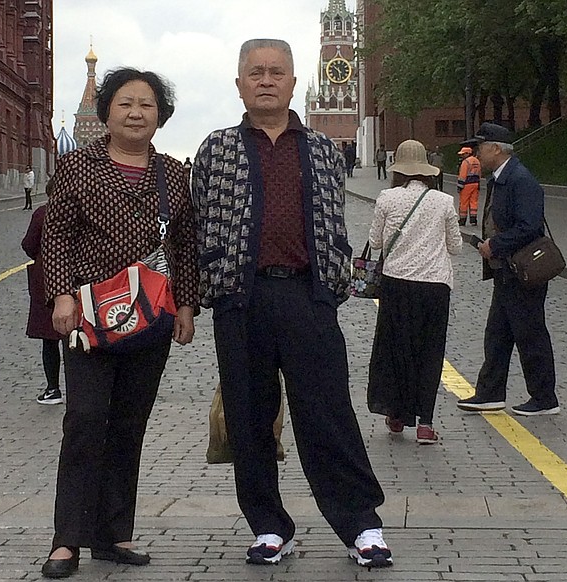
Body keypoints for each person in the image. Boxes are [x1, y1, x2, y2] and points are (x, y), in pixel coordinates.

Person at [192, 38, 392, 569]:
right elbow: (197, 223)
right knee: (250, 416)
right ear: (239, 84)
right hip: (242, 299)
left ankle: (361, 524)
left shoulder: (324, 150)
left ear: (293, 82)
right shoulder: (217, 148)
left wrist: (334, 282)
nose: (265, 80)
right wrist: (212, 285)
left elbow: (333, 222)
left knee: (326, 412)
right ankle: (269, 526)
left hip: (308, 296)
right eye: (254, 72)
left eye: (275, 72)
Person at [39, 67, 199, 579]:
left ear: (161, 116)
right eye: (126, 103)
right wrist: (60, 295)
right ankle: (66, 540)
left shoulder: (174, 174)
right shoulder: (77, 166)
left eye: (147, 105)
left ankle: (113, 534)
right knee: (84, 422)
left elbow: (185, 245)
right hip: (89, 317)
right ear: (107, 111)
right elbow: (56, 235)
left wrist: (187, 305)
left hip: (150, 317)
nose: (136, 112)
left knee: (129, 426)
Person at [457, 122, 560, 416]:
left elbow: (530, 227)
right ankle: (490, 394)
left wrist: (495, 245)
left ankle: (544, 398)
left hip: (522, 272)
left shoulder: (520, 179)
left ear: (495, 149)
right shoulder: (503, 177)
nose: (476, 152)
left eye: (480, 146)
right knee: (497, 335)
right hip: (507, 272)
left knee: (530, 335)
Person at [367, 139, 462, 444]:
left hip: (396, 285)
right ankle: (426, 423)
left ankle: (396, 415)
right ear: (427, 170)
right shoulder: (444, 202)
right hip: (435, 286)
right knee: (430, 351)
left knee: (396, 350)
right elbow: (455, 246)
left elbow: (377, 242)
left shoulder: (386, 198)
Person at [22, 175, 64, 405]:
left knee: (50, 339)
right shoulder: (87, 211)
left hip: (46, 281)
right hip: (82, 281)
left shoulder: (42, 213)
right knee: (80, 336)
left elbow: (29, 244)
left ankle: (53, 389)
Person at [456, 146, 481, 226]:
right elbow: (479, 174)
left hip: (466, 184)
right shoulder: (477, 161)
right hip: (475, 184)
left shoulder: (465, 162)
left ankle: (462, 220)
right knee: (474, 202)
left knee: (464, 202)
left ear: (467, 153)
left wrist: (460, 186)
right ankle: (473, 220)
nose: (462, 156)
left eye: (463, 154)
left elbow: (462, 175)